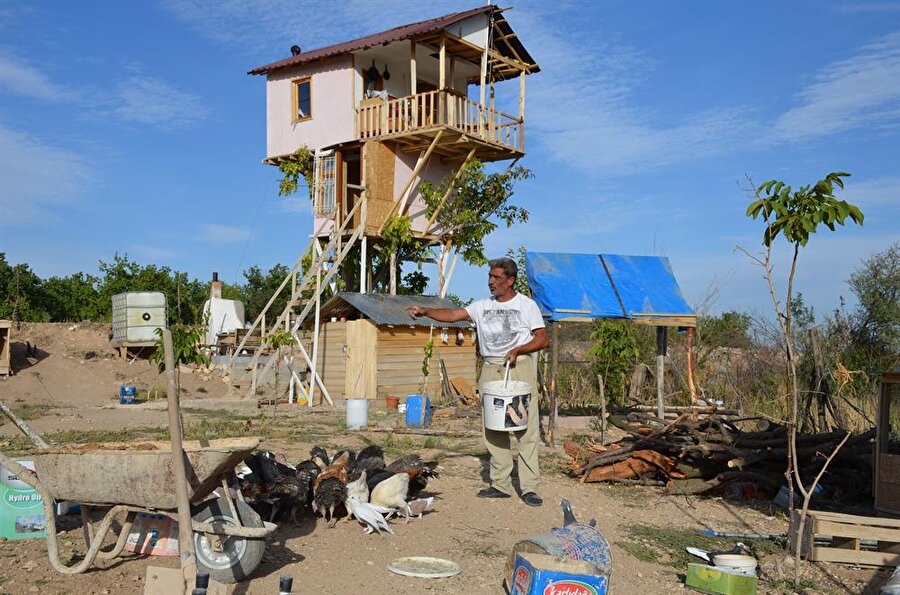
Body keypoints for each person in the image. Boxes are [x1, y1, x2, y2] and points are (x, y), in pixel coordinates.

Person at [407, 257, 549, 507]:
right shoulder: (482, 306)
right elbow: (453, 315)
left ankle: (529, 488)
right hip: (491, 368)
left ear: (510, 280)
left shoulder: (526, 305)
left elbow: (542, 339)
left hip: (519, 368)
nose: (491, 281)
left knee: (524, 427)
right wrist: (426, 311)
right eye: (489, 277)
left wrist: (519, 349)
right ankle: (500, 485)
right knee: (493, 426)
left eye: (496, 277)